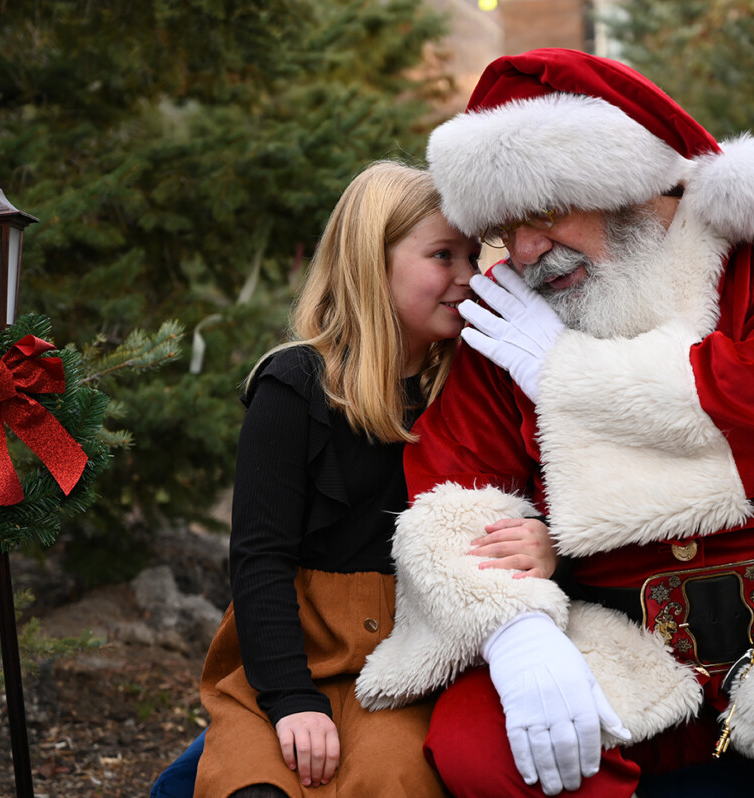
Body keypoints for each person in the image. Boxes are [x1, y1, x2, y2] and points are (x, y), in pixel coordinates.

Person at [356, 50, 754, 797]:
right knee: (483, 744)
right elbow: (452, 492)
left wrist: (563, 373)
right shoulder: (513, 313)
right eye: (504, 227)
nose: (526, 251)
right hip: (618, 628)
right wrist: (514, 630)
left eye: (546, 212)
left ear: (625, 183)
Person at [194, 161, 553, 798]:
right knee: (255, 787)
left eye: (473, 255)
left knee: (395, 779)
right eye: (443, 255)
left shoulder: (471, 390)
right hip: (289, 658)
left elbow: (530, 495)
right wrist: (290, 699)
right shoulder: (294, 386)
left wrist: (545, 544)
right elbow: (260, 557)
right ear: (370, 262)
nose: (469, 276)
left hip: (408, 661)